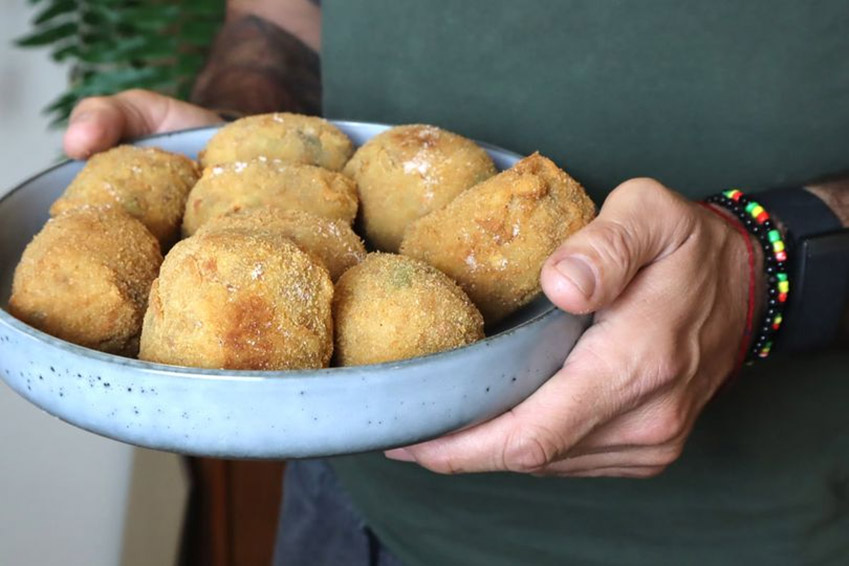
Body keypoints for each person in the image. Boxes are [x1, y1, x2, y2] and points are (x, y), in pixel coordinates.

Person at [63, 1, 849, 564]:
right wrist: (232, 142)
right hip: (355, 502)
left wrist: (768, 263)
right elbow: (281, 18)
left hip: (761, 523)